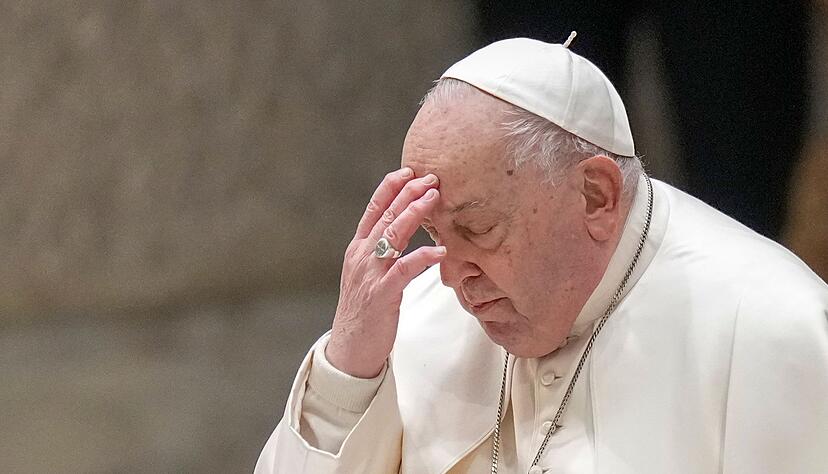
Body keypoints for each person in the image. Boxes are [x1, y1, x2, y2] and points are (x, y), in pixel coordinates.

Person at [255, 37, 828, 473]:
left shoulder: (774, 330)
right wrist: (348, 369)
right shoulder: (412, 318)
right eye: (432, 233)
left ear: (596, 195)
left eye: (478, 228)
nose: (451, 276)